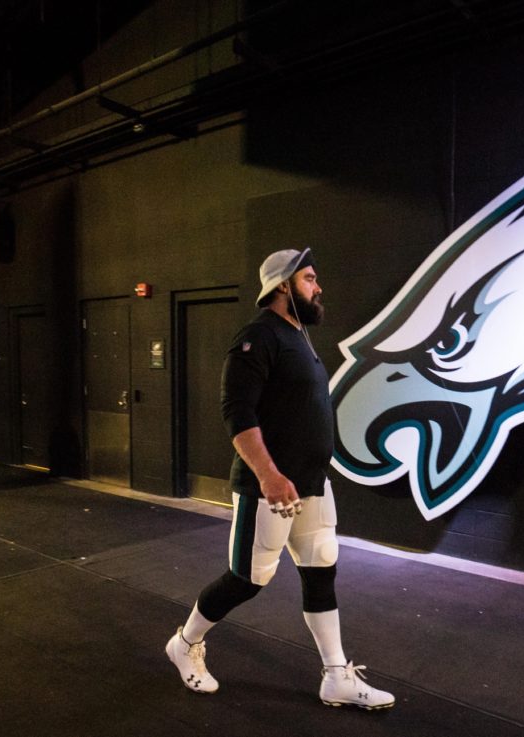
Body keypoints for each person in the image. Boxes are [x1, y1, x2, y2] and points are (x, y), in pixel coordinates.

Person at [165, 247, 394, 710]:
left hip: (311, 484)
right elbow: (237, 412)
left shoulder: (299, 337)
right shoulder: (258, 335)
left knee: (321, 571)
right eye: (310, 279)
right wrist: (268, 475)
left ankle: (337, 676)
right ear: (283, 285)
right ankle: (185, 644)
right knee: (248, 579)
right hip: (268, 488)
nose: (318, 287)